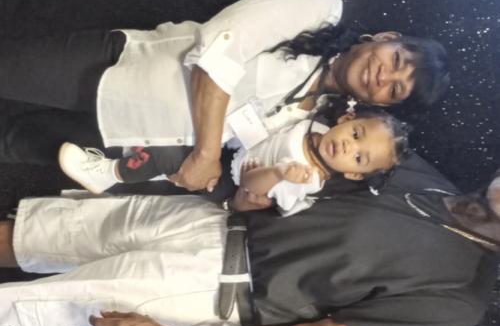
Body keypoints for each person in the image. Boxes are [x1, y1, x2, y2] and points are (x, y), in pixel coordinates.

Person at [0, 154, 497, 326]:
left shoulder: (457, 297)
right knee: (22, 235)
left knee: (16, 312)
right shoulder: (417, 170)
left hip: (210, 288)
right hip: (205, 218)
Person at [0, 0, 449, 195]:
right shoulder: (320, 9)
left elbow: (245, 152)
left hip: (129, 139)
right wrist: (206, 155)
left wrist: (206, 167)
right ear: (386, 38)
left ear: (379, 103)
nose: (383, 76)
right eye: (396, 61)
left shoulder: (319, 120)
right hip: (120, 71)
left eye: (395, 91)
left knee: (15, 143)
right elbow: (218, 49)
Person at [56, 109, 410, 214]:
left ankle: (107, 173)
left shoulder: (307, 180)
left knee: (169, 157)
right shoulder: (315, 123)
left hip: (230, 180)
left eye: (358, 157)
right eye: (356, 133)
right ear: (347, 119)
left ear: (354, 174)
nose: (347, 146)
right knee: (177, 134)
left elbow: (251, 188)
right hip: (232, 144)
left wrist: (279, 173)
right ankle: (133, 156)